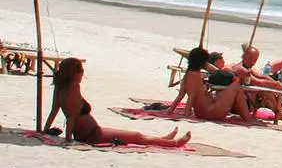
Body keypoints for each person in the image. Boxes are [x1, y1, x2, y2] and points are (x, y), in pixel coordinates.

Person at [43, 57, 191, 148]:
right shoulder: (74, 87)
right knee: (137, 136)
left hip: (91, 133)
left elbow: (54, 111)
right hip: (93, 135)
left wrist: (44, 130)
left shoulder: (59, 87)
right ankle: (174, 143)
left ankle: (163, 140)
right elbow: (72, 117)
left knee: (136, 136)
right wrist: (68, 140)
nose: (83, 74)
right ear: (75, 73)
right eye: (81, 71)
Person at [168, 46, 258, 123]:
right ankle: (247, 117)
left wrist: (169, 111)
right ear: (203, 63)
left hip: (201, 112)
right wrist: (186, 116)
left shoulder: (187, 76)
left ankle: (246, 116)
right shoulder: (196, 77)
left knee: (230, 89)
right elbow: (191, 97)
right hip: (211, 111)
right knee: (237, 86)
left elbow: (180, 95)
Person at [231, 43, 282, 126]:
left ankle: (281, 113)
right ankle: (281, 115)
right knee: (265, 91)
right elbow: (258, 82)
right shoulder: (240, 69)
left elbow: (260, 76)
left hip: (248, 101)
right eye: (252, 59)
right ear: (244, 56)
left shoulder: (248, 68)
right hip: (239, 105)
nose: (254, 62)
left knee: (266, 88)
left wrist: (274, 82)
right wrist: (275, 84)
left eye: (255, 60)